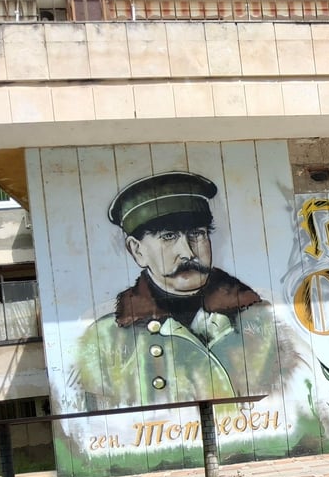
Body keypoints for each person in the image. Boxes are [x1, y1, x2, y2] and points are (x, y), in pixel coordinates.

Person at [76, 171, 280, 410]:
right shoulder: (106, 339)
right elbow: (102, 421)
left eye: (197, 234)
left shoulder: (262, 319)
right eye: (169, 236)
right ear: (137, 250)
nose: (188, 253)